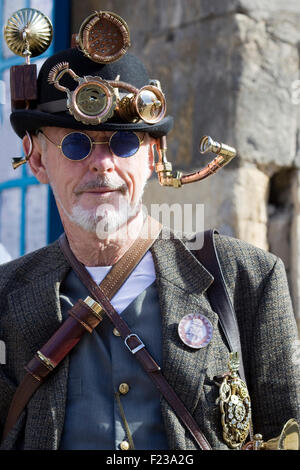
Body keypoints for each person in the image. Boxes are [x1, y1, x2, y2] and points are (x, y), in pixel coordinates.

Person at [0, 11, 300, 451]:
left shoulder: (248, 279)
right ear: (38, 160)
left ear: (153, 159)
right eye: (76, 143)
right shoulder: (6, 298)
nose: (103, 164)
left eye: (123, 142)